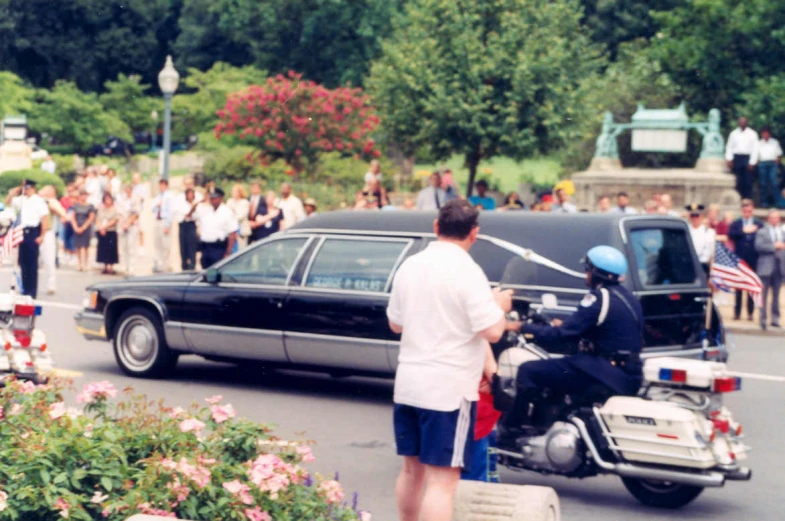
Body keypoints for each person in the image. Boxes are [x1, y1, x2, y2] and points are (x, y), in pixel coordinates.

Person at [386, 199, 512, 521]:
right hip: (448, 392)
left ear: (436, 227)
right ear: (474, 233)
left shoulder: (410, 266)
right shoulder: (470, 273)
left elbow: (395, 324)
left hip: (409, 385)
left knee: (411, 472)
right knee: (442, 483)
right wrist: (499, 305)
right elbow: (494, 332)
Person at [501, 246, 643, 434]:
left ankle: (512, 430)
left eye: (587, 270)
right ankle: (552, 422)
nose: (586, 274)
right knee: (560, 368)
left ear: (596, 273)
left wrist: (521, 327)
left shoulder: (599, 297)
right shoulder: (627, 297)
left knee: (529, 371)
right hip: (627, 372)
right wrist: (566, 324)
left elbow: (561, 335)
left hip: (603, 371)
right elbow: (604, 328)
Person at [6, 180, 49, 298]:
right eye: (25, 188)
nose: (27, 190)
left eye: (29, 188)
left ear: (33, 188)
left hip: (33, 231)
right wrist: (14, 192)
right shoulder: (21, 200)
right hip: (22, 232)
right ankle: (25, 288)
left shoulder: (39, 201)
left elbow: (44, 219)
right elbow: (8, 201)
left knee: (32, 263)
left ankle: (32, 290)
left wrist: (42, 235)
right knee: (23, 262)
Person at [728, 199, 764, 321]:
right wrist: (743, 231)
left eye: (749, 211)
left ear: (752, 210)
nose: (747, 213)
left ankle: (750, 313)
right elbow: (731, 234)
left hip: (753, 259)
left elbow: (763, 236)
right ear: (742, 211)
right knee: (738, 287)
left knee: (750, 287)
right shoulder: (737, 223)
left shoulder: (758, 223)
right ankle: (737, 313)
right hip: (740, 259)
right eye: (745, 211)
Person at [187, 188, 238, 269]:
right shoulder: (205, 210)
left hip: (219, 247)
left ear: (220, 198)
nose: (212, 200)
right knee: (205, 270)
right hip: (206, 247)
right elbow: (189, 215)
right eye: (211, 198)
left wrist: (228, 252)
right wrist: (199, 202)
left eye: (214, 198)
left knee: (217, 272)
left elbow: (232, 233)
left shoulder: (227, 212)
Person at [754, 209, 785, 330]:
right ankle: (763, 319)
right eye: (772, 217)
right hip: (766, 266)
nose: (774, 220)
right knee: (764, 295)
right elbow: (758, 246)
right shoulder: (762, 232)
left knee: (776, 295)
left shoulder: (782, 232)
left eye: (776, 217)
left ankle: (775, 319)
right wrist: (774, 246)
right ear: (768, 219)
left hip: (779, 266)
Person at [39, 185, 67, 295]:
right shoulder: (37, 199)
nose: (46, 191)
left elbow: (62, 213)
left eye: (50, 190)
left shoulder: (52, 202)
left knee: (49, 259)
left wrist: (49, 203)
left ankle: (51, 285)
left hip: (47, 232)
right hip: (34, 232)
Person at [725, 117, 759, 200]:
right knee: (738, 180)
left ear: (747, 123)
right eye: (741, 122)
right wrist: (729, 159)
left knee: (748, 180)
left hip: (747, 158)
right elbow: (729, 147)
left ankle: (747, 199)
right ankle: (739, 199)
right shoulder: (733, 134)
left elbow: (755, 149)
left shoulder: (752, 134)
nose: (742, 123)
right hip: (737, 158)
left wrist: (752, 162)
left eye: (744, 122)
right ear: (738, 123)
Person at [753, 126, 783, 208]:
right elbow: (755, 155)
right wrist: (757, 163)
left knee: (774, 183)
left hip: (772, 164)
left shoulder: (774, 142)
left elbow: (779, 154)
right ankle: (764, 203)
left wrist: (777, 161)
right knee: (763, 184)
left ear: (769, 134)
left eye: (767, 133)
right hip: (762, 164)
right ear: (762, 134)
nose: (765, 135)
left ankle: (778, 203)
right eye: (764, 133)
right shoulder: (759, 143)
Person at [117, 184, 141, 275]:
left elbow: (136, 213)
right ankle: (125, 265)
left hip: (132, 225)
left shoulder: (135, 199)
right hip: (123, 225)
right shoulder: (122, 200)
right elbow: (119, 213)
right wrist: (123, 223)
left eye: (129, 190)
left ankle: (132, 266)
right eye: (126, 190)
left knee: (131, 246)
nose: (128, 192)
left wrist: (128, 223)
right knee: (124, 246)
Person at [152, 179, 174, 273]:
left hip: (165, 221)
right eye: (160, 185)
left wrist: (167, 225)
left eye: (163, 185)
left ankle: (166, 265)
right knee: (158, 243)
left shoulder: (169, 196)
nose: (161, 187)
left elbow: (170, 211)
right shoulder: (158, 196)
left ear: (166, 186)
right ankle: (159, 264)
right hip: (157, 220)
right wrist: (157, 205)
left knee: (166, 244)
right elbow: (152, 209)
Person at [70, 190, 96, 272]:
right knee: (78, 246)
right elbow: (72, 217)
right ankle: (79, 264)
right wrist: (75, 227)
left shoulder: (90, 206)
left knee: (86, 246)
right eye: (82, 195)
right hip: (77, 226)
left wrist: (84, 227)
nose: (83, 197)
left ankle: (86, 263)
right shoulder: (76, 205)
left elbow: (91, 218)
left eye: (85, 195)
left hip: (86, 227)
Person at [686, 204, 715, 274]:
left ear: (701, 216)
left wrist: (711, 270)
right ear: (689, 217)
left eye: (697, 216)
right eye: (692, 216)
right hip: (688, 265)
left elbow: (712, 254)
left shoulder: (709, 232)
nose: (694, 218)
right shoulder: (685, 230)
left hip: (703, 266)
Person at [95, 192, 119, 274]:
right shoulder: (101, 209)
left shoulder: (114, 209)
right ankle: (105, 267)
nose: (107, 201)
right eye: (106, 199)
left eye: (109, 199)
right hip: (102, 231)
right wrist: (100, 228)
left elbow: (115, 220)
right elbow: (97, 219)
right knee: (103, 249)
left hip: (111, 231)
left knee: (111, 249)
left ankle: (111, 267)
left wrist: (105, 227)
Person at [227, 184, 251, 249]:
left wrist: (234, 212)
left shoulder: (245, 202)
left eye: (235, 191)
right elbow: (227, 215)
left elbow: (241, 216)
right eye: (233, 191)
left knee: (242, 250)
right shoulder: (229, 201)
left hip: (242, 232)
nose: (233, 193)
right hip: (231, 231)